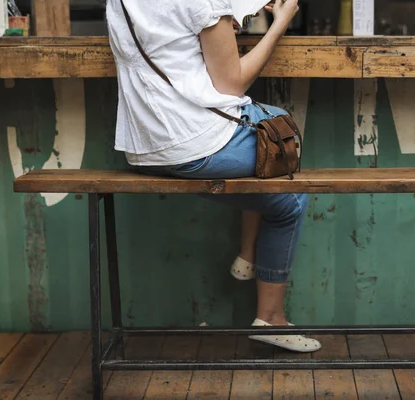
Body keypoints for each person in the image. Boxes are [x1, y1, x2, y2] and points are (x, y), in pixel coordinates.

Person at [105, 0, 321, 353]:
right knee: (284, 155)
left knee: (267, 147)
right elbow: (231, 84)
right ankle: (271, 317)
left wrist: (224, 22)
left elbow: (169, 37)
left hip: (143, 147)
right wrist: (279, 22)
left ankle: (249, 256)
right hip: (193, 146)